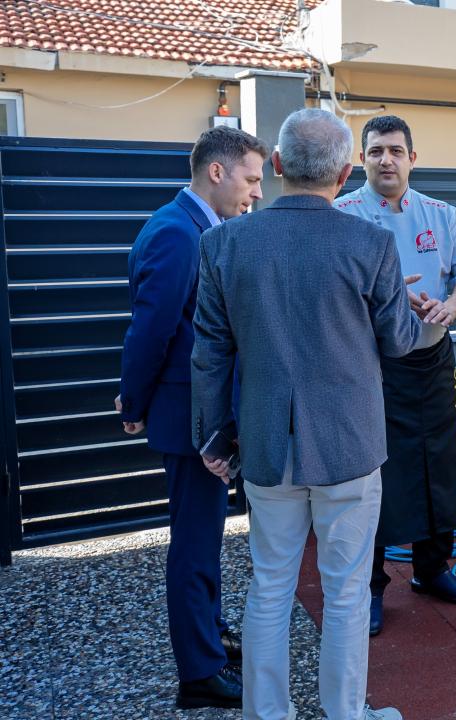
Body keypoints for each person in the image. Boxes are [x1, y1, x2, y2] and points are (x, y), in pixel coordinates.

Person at [192, 108, 429, 720]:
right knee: (347, 592)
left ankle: (266, 714)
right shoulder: (371, 244)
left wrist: (213, 438)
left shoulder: (221, 243)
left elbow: (209, 351)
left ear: (275, 166)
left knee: (270, 583)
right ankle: (346, 714)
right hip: (349, 444)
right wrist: (409, 304)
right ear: (347, 171)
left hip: (265, 443)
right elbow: (399, 341)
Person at [117, 125, 266, 710]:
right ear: (217, 172)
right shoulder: (178, 234)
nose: (255, 192)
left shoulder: (200, 227)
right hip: (188, 415)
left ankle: (209, 634)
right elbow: (150, 330)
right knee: (194, 543)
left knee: (205, 539)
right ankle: (198, 672)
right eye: (251, 179)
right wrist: (134, 403)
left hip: (205, 411)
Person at [335, 115, 456, 634]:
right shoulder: (342, 215)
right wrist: (392, 295)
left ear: (413, 158)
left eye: (396, 151)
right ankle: (371, 587)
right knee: (377, 474)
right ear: (362, 159)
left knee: (440, 465)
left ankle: (432, 569)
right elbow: (332, 297)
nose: (386, 160)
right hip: (373, 366)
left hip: (432, 357)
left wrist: (450, 306)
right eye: (376, 151)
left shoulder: (441, 214)